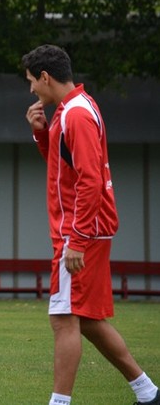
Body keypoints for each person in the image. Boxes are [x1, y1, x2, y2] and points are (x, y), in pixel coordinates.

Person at [22, 44, 159, 405]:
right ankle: (147, 392)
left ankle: (59, 403)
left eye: (32, 81)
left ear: (46, 77)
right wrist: (41, 133)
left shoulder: (76, 115)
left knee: (63, 318)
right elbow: (65, 170)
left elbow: (90, 182)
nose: (32, 89)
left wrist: (77, 240)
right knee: (87, 320)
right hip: (85, 228)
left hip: (80, 231)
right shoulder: (72, 110)